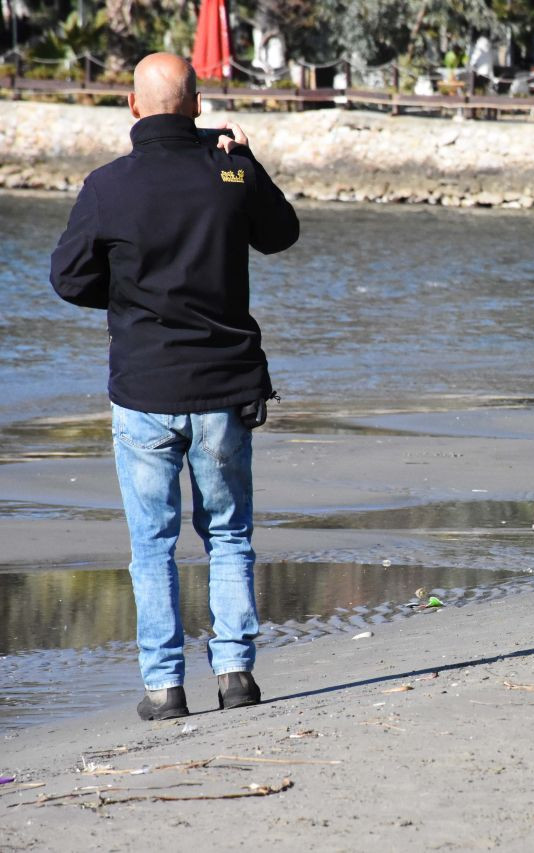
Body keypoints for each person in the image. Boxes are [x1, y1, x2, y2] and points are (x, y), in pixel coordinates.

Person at [49, 53, 299, 721]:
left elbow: (68, 279)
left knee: (152, 543)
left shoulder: (108, 185)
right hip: (223, 386)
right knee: (229, 534)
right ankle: (235, 671)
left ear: (134, 106)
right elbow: (282, 233)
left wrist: (128, 296)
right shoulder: (228, 169)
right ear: (195, 105)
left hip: (143, 390)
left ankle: (164, 686)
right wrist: (249, 162)